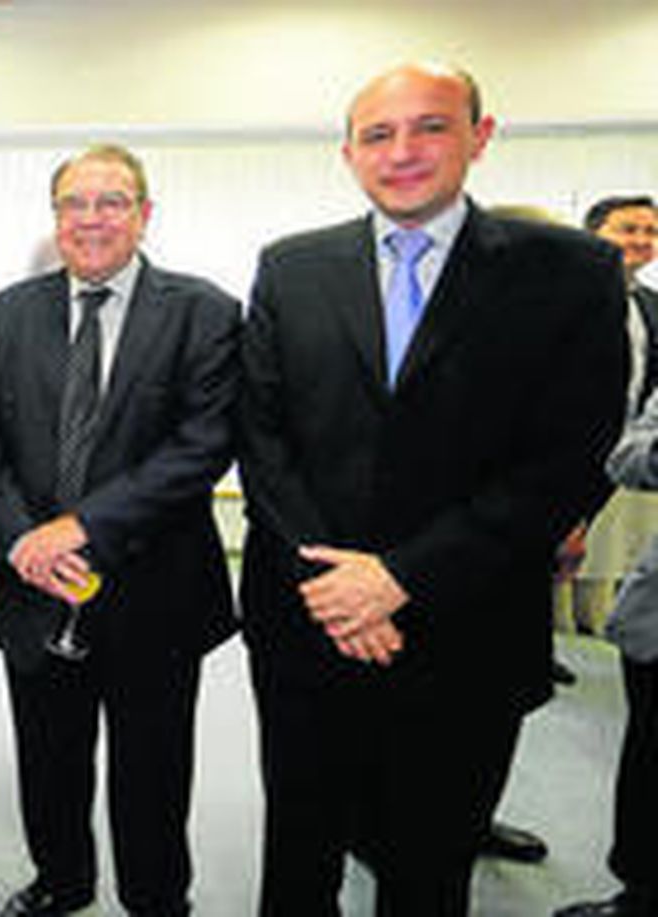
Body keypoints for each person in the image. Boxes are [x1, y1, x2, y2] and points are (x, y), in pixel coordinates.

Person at [238, 61, 627, 915]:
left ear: (480, 137)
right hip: (308, 627)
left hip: (468, 629)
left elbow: (568, 457)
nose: (403, 151)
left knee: (427, 867)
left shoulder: (570, 273)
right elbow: (262, 440)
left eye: (431, 126)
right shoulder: (290, 268)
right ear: (348, 153)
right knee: (297, 860)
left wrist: (400, 575)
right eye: (378, 134)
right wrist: (336, 587)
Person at [0, 144, 241, 917]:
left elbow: (202, 445)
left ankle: (157, 898)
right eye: (73, 204)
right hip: (34, 588)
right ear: (55, 218)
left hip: (154, 590)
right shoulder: (9, 312)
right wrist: (20, 538)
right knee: (48, 757)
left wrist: (77, 529)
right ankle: (61, 881)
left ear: (145, 214)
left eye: (111, 201)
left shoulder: (204, 311)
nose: (91, 219)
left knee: (151, 767)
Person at [556, 196, 658, 917]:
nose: (644, 241)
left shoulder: (653, 309)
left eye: (654, 230)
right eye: (631, 227)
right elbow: (632, 442)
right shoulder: (554, 302)